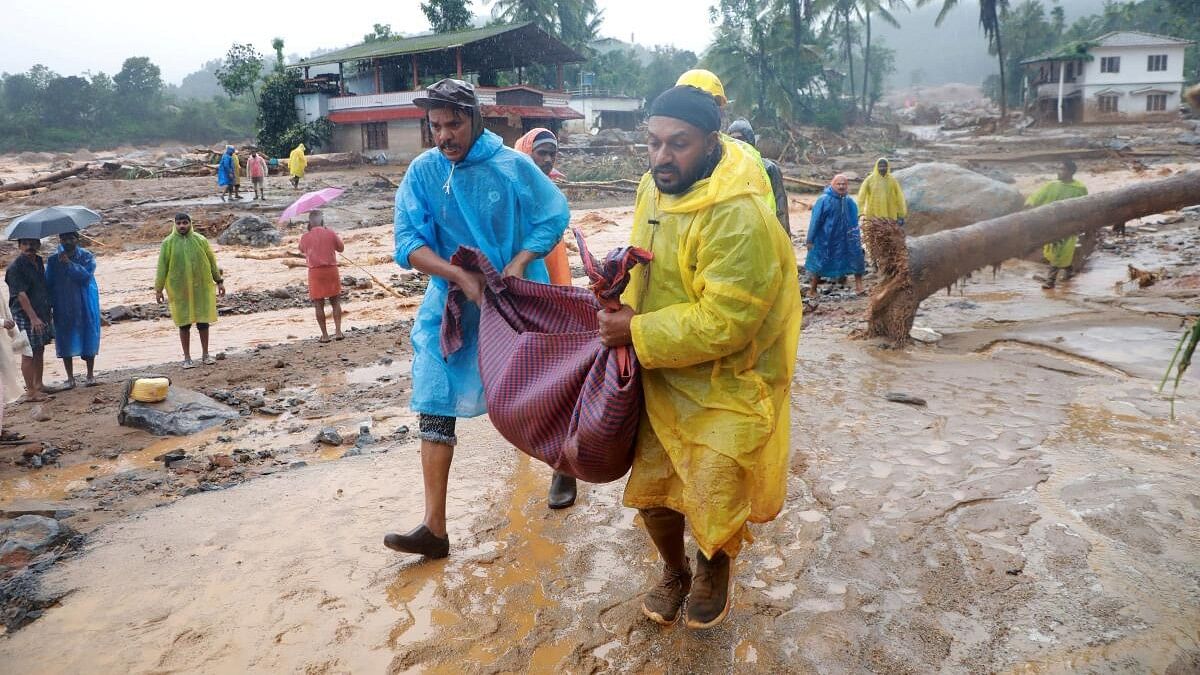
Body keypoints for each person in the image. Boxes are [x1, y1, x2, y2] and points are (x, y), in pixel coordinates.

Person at [596, 85, 801, 629]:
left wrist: (635, 332)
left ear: (711, 141)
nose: (663, 157)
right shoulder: (651, 188)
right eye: (654, 143)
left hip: (729, 378)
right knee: (656, 489)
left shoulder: (740, 216)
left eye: (678, 144)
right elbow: (646, 262)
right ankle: (674, 571)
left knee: (713, 488)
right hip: (660, 369)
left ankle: (712, 569)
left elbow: (728, 322)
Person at [384, 78, 569, 558]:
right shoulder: (424, 172)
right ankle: (435, 528)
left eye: (454, 123)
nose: (444, 135)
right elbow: (407, 241)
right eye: (436, 125)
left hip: (513, 298)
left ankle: (563, 460)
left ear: (476, 119)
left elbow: (553, 214)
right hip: (452, 306)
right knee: (434, 393)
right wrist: (458, 277)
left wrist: (518, 261)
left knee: (532, 391)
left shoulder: (511, 167)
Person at [513, 126, 577, 509]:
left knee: (556, 383)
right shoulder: (509, 189)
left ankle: (562, 468)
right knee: (522, 381)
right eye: (541, 151)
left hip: (554, 290)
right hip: (520, 292)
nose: (548, 158)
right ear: (524, 153)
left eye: (553, 152)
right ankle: (531, 451)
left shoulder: (553, 193)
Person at [155, 213, 225, 368]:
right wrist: (158, 289)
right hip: (179, 289)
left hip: (201, 287)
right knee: (184, 324)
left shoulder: (200, 240)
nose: (182, 226)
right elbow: (162, 267)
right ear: (174, 224)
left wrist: (219, 281)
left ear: (190, 224)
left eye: (185, 223)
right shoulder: (168, 243)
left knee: (203, 321)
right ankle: (187, 358)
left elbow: (212, 262)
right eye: (179, 223)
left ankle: (205, 355)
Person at [45, 231, 101, 388]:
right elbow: (48, 283)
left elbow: (85, 276)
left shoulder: (86, 256)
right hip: (62, 303)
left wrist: (69, 264)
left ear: (77, 239)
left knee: (89, 334)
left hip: (85, 301)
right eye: (64, 238)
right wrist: (48, 305)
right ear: (60, 239)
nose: (68, 241)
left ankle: (90, 375)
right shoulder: (52, 260)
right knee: (64, 337)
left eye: (71, 238)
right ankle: (70, 378)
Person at [5, 238, 54, 402]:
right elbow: (20, 294)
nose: (29, 247)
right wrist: (33, 318)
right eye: (25, 243)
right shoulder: (15, 268)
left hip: (40, 311)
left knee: (39, 348)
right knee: (28, 353)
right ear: (19, 246)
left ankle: (38, 384)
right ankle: (31, 391)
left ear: (38, 245)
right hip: (24, 315)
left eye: (32, 243)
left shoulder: (39, 261)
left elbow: (41, 286)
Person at [1027, 160, 1088, 289]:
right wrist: (1029, 204)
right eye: (1058, 168)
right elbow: (1037, 196)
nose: (1059, 171)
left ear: (1071, 172)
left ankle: (1050, 281)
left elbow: (1085, 207)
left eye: (1062, 169)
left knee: (1060, 251)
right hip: (1052, 224)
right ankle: (1069, 269)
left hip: (1069, 226)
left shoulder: (1079, 189)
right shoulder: (1052, 185)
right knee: (1052, 252)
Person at [805, 174, 866, 297]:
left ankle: (859, 287)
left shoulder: (849, 201)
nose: (841, 186)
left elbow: (854, 221)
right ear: (832, 184)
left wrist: (855, 237)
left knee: (856, 258)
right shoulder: (823, 200)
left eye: (844, 184)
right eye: (838, 184)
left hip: (846, 239)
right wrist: (810, 239)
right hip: (827, 238)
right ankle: (812, 290)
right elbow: (815, 220)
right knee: (821, 261)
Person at [727, 118, 790, 234]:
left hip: (763, 230)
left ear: (749, 140)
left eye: (740, 139)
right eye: (732, 139)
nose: (736, 143)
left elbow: (780, 205)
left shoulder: (768, 168)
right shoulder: (724, 170)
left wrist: (784, 237)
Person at [298, 210, 345, 343]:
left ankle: (324, 335)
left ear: (310, 222)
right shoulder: (330, 232)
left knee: (318, 304)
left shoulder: (305, 237)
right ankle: (338, 332)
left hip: (315, 273)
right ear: (322, 221)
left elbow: (301, 249)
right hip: (331, 270)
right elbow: (341, 248)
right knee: (335, 302)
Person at [857, 158, 906, 226]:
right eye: (880, 166)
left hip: (890, 214)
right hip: (873, 215)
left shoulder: (892, 180)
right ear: (877, 167)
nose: (882, 168)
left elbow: (899, 197)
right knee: (874, 235)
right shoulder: (869, 180)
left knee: (889, 235)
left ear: (887, 167)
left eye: (884, 166)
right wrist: (860, 213)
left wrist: (901, 214)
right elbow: (861, 197)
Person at [0, 284, 26, 405]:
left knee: (6, 366)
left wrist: (14, 332)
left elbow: (4, 309)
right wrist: (2, 322)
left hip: (2, 335)